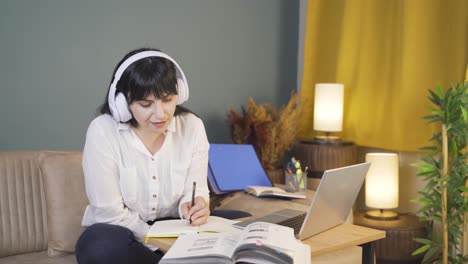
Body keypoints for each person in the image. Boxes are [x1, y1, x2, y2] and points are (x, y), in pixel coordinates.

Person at [75, 48, 211, 264]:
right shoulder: (102, 131)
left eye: (167, 100)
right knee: (98, 246)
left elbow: (196, 189)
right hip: (124, 232)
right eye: (146, 104)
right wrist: (159, 242)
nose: (161, 114)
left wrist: (196, 205)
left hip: (177, 228)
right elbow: (108, 212)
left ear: (180, 93)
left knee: (244, 227)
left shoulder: (192, 127)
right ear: (122, 103)